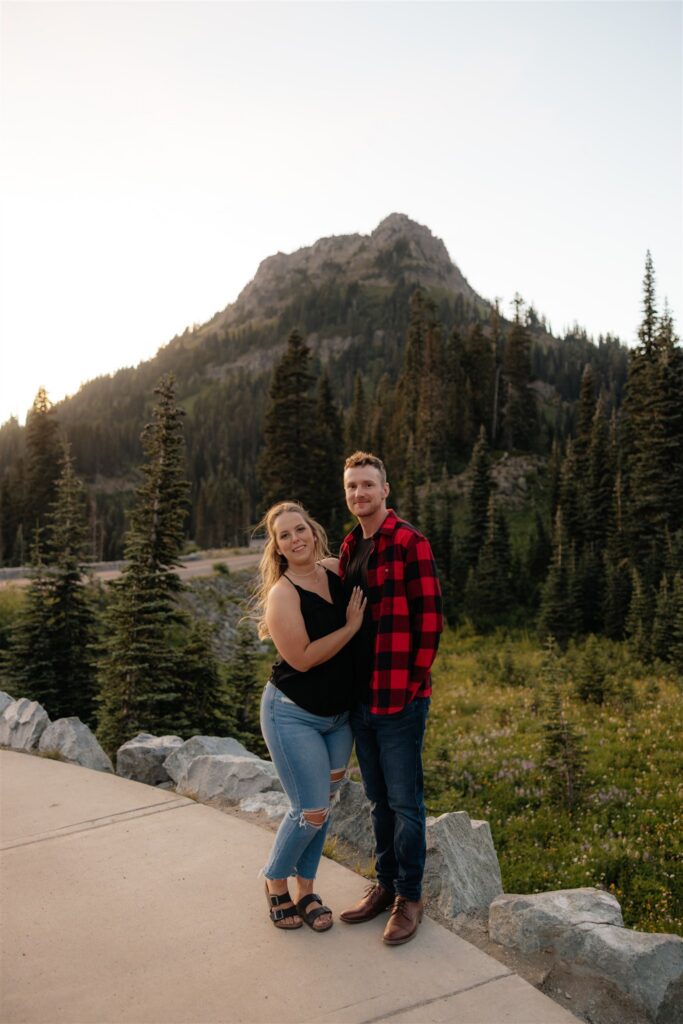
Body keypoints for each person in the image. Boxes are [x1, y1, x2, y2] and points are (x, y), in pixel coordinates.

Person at [338, 451, 443, 945]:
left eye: (367, 485)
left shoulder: (409, 543)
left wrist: (409, 685)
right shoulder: (348, 547)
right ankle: (382, 885)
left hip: (398, 700)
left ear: (385, 490)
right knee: (377, 801)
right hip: (360, 701)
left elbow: (430, 622)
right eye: (352, 486)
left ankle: (410, 896)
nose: (359, 493)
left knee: (405, 804)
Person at [256, 500, 367, 932]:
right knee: (311, 809)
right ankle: (274, 880)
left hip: (338, 718)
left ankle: (306, 890)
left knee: (329, 801)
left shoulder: (335, 570)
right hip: (293, 716)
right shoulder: (282, 594)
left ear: (312, 531)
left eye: (299, 529)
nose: (295, 539)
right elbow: (301, 659)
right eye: (285, 535)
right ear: (278, 547)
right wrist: (350, 628)